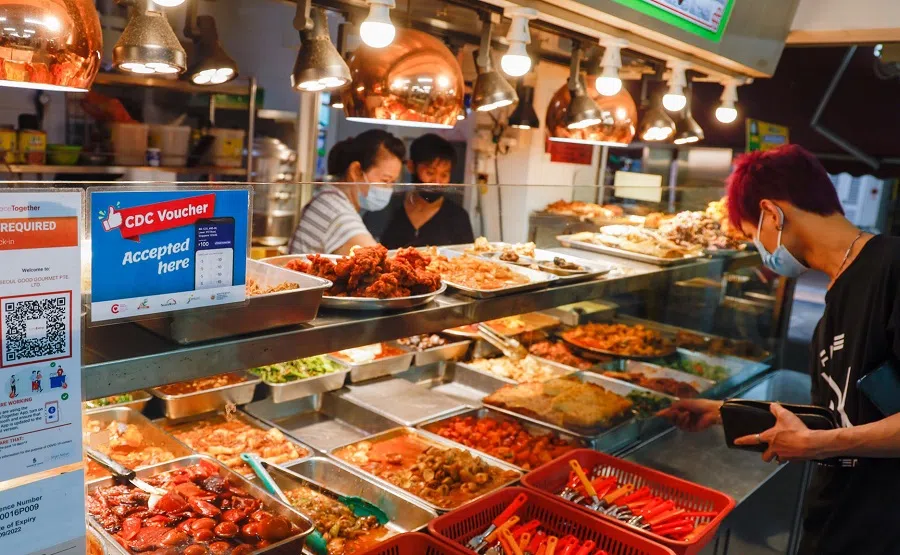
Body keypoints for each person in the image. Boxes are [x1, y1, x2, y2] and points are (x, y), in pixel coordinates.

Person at [659, 145, 900, 554]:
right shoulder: (837, 294)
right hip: (833, 524)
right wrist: (723, 412)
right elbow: (841, 416)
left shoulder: (892, 268)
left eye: (751, 235)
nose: (760, 251)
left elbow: (830, 436)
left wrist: (819, 445)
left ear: (771, 214)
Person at [289, 129, 405, 255]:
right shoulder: (336, 212)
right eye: (385, 180)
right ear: (355, 171)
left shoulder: (327, 197)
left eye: (393, 182)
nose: (388, 189)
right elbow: (376, 260)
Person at [365, 133, 474, 248]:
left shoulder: (458, 216)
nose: (437, 181)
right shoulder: (387, 206)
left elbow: (467, 255)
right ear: (411, 166)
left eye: (444, 175)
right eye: (430, 173)